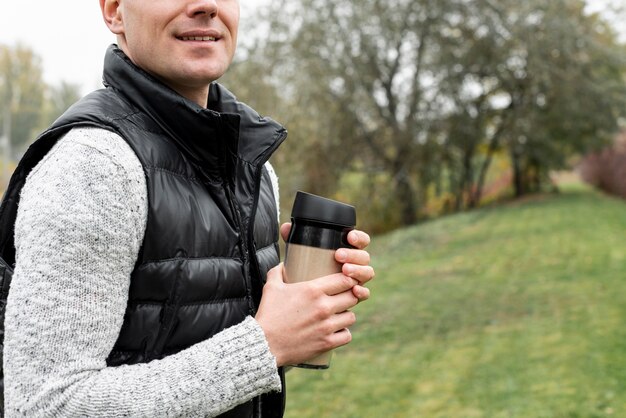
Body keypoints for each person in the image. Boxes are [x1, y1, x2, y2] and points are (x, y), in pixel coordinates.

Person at [0, 0, 375, 417]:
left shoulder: (253, 166)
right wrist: (266, 344)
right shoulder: (94, 165)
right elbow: (43, 407)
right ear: (114, 11)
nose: (207, 5)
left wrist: (301, 311)